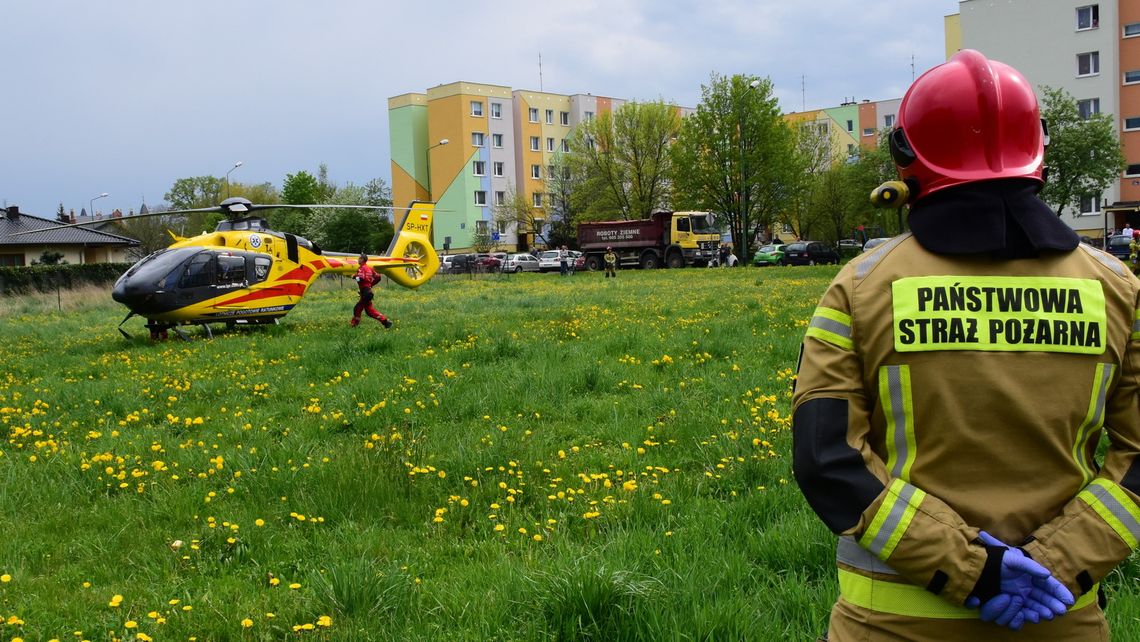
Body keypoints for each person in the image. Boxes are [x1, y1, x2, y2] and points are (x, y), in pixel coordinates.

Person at [792, 49, 1139, 641]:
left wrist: (974, 572)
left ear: (907, 161)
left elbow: (828, 459)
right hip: (1058, 615)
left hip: (891, 623)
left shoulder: (861, 286)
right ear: (1038, 154)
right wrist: (1053, 567)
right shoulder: (1119, 288)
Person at [350, 253, 393, 328]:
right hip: (368, 292)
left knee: (358, 308)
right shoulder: (370, 268)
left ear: (362, 260)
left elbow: (361, 278)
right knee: (369, 311)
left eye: (359, 258)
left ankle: (354, 325)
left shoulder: (361, 268)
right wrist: (371, 285)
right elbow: (378, 277)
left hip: (365, 292)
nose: (358, 260)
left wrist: (354, 276)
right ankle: (385, 322)